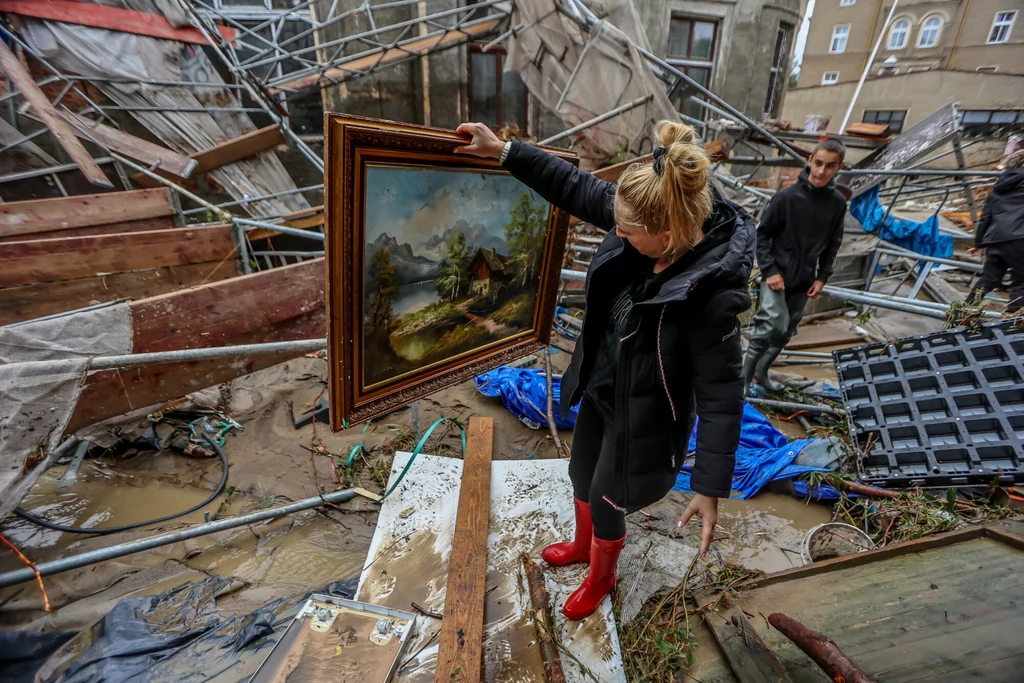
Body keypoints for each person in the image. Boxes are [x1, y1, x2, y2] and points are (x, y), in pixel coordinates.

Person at [455, 121, 754, 620]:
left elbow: (723, 393)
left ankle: (601, 576)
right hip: (600, 386)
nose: (615, 231)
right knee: (579, 472)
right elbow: (575, 186)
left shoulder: (711, 299)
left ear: (667, 235)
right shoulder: (643, 213)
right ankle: (581, 544)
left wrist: (709, 486)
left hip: (643, 416)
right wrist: (505, 150)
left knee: (608, 494)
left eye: (627, 231)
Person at [743, 139, 848, 396]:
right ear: (810, 160)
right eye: (818, 163)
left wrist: (822, 277)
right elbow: (763, 235)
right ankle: (742, 381)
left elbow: (834, 243)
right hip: (775, 276)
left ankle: (762, 373)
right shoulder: (785, 198)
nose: (822, 171)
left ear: (839, 167)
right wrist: (770, 271)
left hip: (804, 279)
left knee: (786, 332)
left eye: (829, 166)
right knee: (770, 325)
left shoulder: (837, 203)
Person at [967, 149, 1024, 315]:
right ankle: (1013, 320)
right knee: (1021, 282)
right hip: (1020, 239)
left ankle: (963, 311)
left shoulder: (998, 187)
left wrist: (979, 243)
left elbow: (985, 217)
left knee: (989, 279)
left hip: (996, 240)